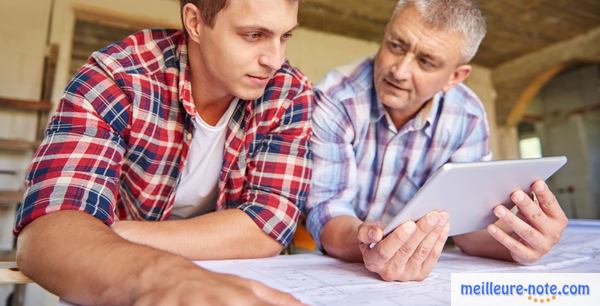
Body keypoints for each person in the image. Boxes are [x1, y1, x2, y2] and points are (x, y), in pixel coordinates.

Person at [14, 0, 311, 305]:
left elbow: (267, 228)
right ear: (195, 22)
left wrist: (105, 234)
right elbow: (47, 235)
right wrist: (163, 278)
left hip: (227, 281)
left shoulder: (289, 91)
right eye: (253, 35)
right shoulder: (118, 75)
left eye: (285, 36)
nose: (275, 60)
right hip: (124, 278)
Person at [306, 0, 568, 282]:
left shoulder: (469, 117)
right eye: (395, 45)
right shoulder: (335, 96)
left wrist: (519, 244)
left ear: (455, 77)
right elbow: (327, 209)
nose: (400, 71)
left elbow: (467, 228)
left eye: (425, 62)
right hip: (344, 264)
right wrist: (367, 243)